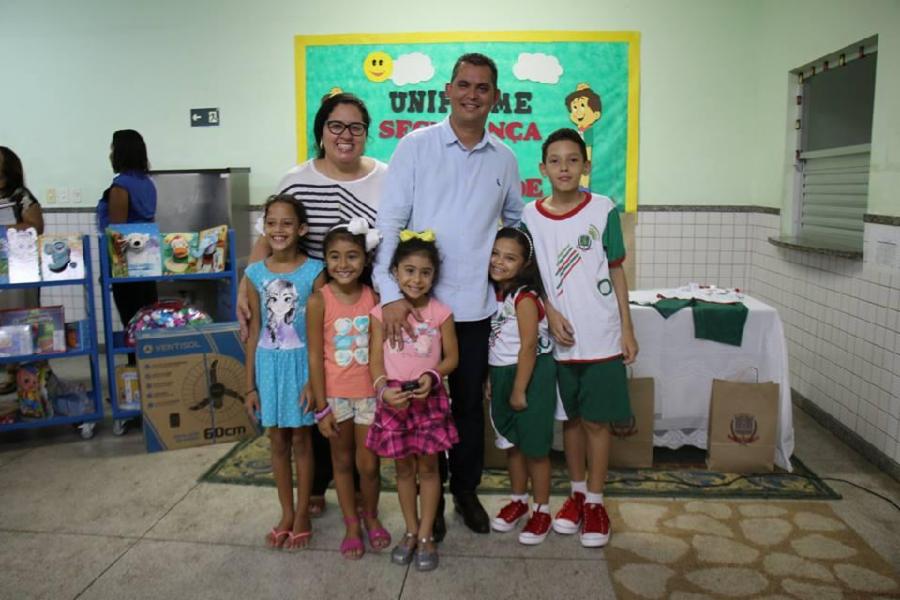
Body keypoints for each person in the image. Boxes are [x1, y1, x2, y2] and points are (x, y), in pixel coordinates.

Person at [373, 52, 522, 538]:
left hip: (475, 309)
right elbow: (390, 222)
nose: (472, 94)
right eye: (464, 85)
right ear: (448, 91)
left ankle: (465, 492)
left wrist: (507, 275)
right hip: (418, 310)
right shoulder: (416, 146)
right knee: (420, 405)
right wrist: (392, 293)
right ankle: (429, 503)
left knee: (465, 407)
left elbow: (515, 224)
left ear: (494, 97)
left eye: (482, 87)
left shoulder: (504, 157)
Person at [240, 92, 386, 517]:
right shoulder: (295, 178)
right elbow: (271, 236)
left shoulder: (387, 177)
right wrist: (243, 292)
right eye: (335, 126)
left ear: (365, 134)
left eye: (356, 127)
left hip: (365, 304)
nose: (346, 135)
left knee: (355, 383)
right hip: (309, 306)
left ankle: (359, 486)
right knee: (320, 388)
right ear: (321, 132)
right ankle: (318, 485)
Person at [522, 128, 638, 548]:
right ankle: (574, 493)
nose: (565, 168)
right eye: (556, 160)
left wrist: (626, 327)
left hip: (602, 334)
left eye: (573, 160)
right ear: (542, 169)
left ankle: (596, 500)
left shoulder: (603, 208)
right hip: (559, 337)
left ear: (585, 166)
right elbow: (529, 274)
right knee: (569, 419)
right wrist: (549, 312)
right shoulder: (529, 216)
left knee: (596, 421)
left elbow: (617, 269)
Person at [367, 232, 459, 571]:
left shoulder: (440, 313)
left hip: (429, 400)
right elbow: (374, 360)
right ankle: (409, 529)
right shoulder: (381, 314)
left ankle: (425, 535)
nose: (416, 279)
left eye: (425, 272)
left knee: (429, 469)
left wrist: (433, 377)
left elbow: (452, 358)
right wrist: (382, 390)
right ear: (394, 273)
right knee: (404, 470)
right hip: (393, 400)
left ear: (434, 276)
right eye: (408, 270)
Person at [244, 194, 324, 551]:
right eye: (271, 222)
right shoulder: (254, 273)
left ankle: (304, 513)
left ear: (301, 229)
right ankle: (287, 513)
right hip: (268, 367)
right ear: (264, 226)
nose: (278, 229)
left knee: (302, 441)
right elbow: (254, 330)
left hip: (302, 367)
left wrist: (314, 380)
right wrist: (249, 386)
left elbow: (322, 332)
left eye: (287, 223)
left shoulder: (314, 272)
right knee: (277, 441)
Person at [306, 218, 390, 560]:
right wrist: (321, 406)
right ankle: (352, 524)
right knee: (341, 463)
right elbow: (313, 354)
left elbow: (379, 348)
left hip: (369, 395)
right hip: (336, 397)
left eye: (352, 256)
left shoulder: (374, 297)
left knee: (368, 466)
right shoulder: (318, 301)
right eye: (335, 257)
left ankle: (371, 516)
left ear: (365, 260)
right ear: (325, 260)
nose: (344, 265)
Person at [486, 227, 557, 545]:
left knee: (535, 449)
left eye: (510, 257)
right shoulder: (496, 293)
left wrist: (518, 388)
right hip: (502, 374)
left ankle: (541, 510)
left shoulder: (526, 297)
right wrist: (491, 378)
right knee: (511, 444)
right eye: (496, 253)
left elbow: (528, 346)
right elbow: (496, 341)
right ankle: (518, 500)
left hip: (529, 377)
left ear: (525, 264)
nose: (499, 261)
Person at [96, 129, 158, 364]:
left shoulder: (121, 186)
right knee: (146, 321)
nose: (110, 154)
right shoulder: (147, 183)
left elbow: (117, 232)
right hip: (147, 262)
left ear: (120, 152)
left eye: (112, 148)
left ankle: (135, 378)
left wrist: (109, 269)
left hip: (127, 265)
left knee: (131, 323)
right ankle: (150, 373)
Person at [0, 147, 44, 394]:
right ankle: (8, 370)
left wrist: (7, 229)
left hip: (19, 268)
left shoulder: (20, 195)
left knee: (18, 316)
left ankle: (26, 371)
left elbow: (36, 226)